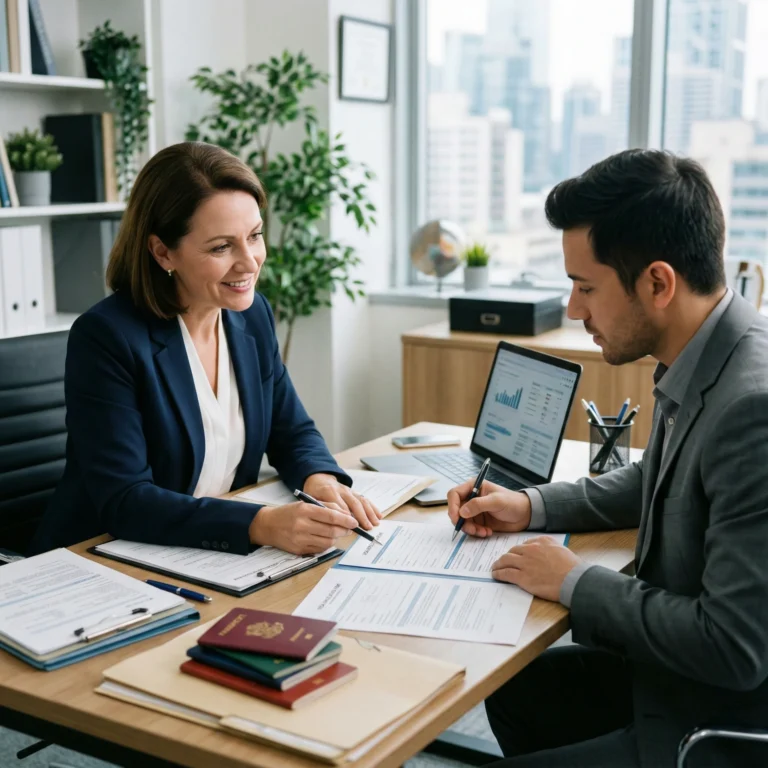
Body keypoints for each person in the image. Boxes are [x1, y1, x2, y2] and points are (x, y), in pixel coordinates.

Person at [448, 149, 768, 767]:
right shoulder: (710, 350)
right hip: (674, 681)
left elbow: (733, 647)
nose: (573, 309)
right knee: (514, 694)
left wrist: (574, 579)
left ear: (657, 282)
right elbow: (661, 476)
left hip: (714, 724)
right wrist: (529, 504)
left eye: (585, 286)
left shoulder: (751, 410)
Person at [30, 142, 380, 557]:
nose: (249, 262)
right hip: (102, 560)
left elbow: (292, 431)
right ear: (163, 252)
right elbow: (125, 500)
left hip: (206, 557)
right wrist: (259, 523)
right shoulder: (107, 337)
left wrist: (319, 480)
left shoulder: (251, 317)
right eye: (221, 247)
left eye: (255, 236)